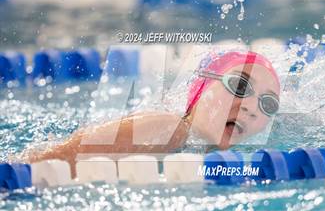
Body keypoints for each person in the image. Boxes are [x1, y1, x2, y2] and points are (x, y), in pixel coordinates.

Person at [28, 51, 280, 177]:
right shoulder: (168, 128)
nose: (251, 107)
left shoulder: (207, 154)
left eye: (267, 104)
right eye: (239, 86)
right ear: (201, 89)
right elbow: (46, 166)